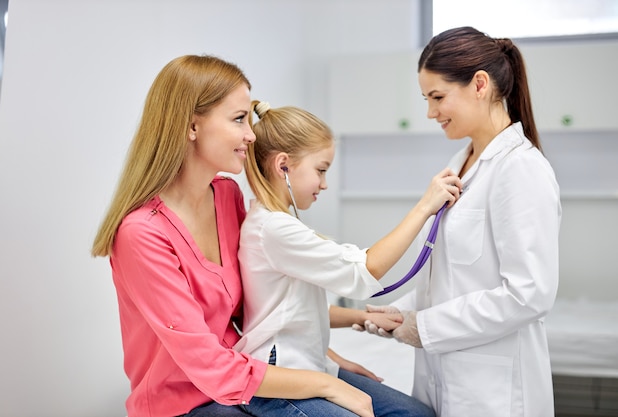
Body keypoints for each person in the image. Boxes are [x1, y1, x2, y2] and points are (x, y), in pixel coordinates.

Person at [91, 55, 380, 417]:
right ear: (192, 126)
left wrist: (327, 358)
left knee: (405, 412)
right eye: (239, 119)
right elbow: (211, 366)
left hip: (242, 379)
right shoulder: (141, 234)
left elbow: (257, 309)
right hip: (188, 404)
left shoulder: (226, 196)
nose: (251, 134)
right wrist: (325, 383)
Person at [354, 27, 561, 417]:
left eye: (438, 97)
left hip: (493, 389)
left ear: (479, 84)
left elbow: (528, 294)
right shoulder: (459, 167)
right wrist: (400, 312)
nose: (431, 112)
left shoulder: (520, 170)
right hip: (444, 374)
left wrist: (425, 327)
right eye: (426, 99)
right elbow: (451, 279)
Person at [234, 100, 462, 417]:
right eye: (321, 170)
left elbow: (296, 310)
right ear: (283, 165)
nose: (325, 184)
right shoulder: (272, 229)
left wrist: (358, 321)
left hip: (309, 366)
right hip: (277, 377)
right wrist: (425, 207)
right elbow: (365, 269)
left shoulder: (275, 223)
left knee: (414, 414)